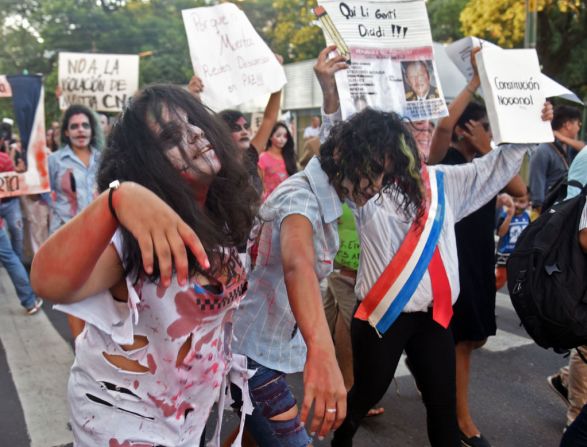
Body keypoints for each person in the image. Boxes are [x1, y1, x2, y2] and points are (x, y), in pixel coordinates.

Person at [313, 46, 553, 447]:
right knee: (363, 397)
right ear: (390, 146)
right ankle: (341, 441)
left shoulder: (446, 182)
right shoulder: (369, 192)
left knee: (442, 406)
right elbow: (334, 156)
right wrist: (329, 94)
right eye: (414, 129)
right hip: (383, 316)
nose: (423, 133)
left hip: (435, 317)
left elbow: (498, 165)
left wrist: (532, 121)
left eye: (427, 127)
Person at [31, 84, 258, 446]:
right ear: (147, 163)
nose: (196, 134)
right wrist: (117, 199)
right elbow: (47, 282)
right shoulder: (132, 234)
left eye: (195, 122)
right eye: (171, 137)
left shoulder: (225, 218)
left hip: (187, 413)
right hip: (121, 415)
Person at [48, 104, 102, 338]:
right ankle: (80, 350)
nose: (80, 130)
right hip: (67, 237)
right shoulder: (55, 160)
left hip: (101, 235)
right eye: (74, 126)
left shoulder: (104, 158)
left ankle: (96, 347)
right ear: (66, 133)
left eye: (85, 125)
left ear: (92, 130)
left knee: (99, 295)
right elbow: (40, 194)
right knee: (75, 296)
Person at [546, 147, 587, 436]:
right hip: (578, 260)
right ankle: (577, 418)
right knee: (586, 346)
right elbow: (585, 236)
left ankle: (565, 379)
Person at [529, 105, 583, 216]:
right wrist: (540, 209)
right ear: (568, 125)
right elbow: (537, 180)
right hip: (547, 211)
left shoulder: (569, 148)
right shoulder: (543, 149)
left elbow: (584, 148)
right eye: (578, 123)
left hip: (563, 209)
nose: (579, 128)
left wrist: (562, 138)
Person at [495, 191, 530, 290]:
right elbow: (500, 233)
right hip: (504, 255)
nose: (517, 204)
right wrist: (509, 217)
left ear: (528, 203)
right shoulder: (505, 215)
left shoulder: (527, 216)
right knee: (499, 280)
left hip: (518, 255)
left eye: (522, 201)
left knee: (518, 282)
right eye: (514, 200)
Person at [258, 121, 297, 200]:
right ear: (270, 136)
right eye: (278, 135)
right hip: (269, 203)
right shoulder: (262, 158)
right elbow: (259, 184)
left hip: (289, 201)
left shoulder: (289, 156)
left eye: (285, 136)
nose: (282, 139)